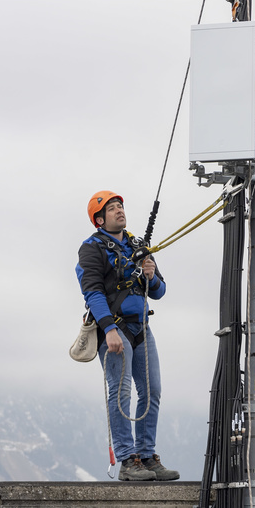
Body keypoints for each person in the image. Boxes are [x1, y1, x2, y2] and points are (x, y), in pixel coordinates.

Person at [76, 191, 180, 482]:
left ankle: (146, 456)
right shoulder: (92, 248)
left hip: (141, 327)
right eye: (112, 208)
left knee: (152, 390)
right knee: (120, 392)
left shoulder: (138, 245)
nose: (119, 210)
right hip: (116, 328)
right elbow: (92, 291)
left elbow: (159, 292)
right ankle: (127, 459)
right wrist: (109, 329)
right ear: (99, 219)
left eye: (120, 206)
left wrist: (151, 276)